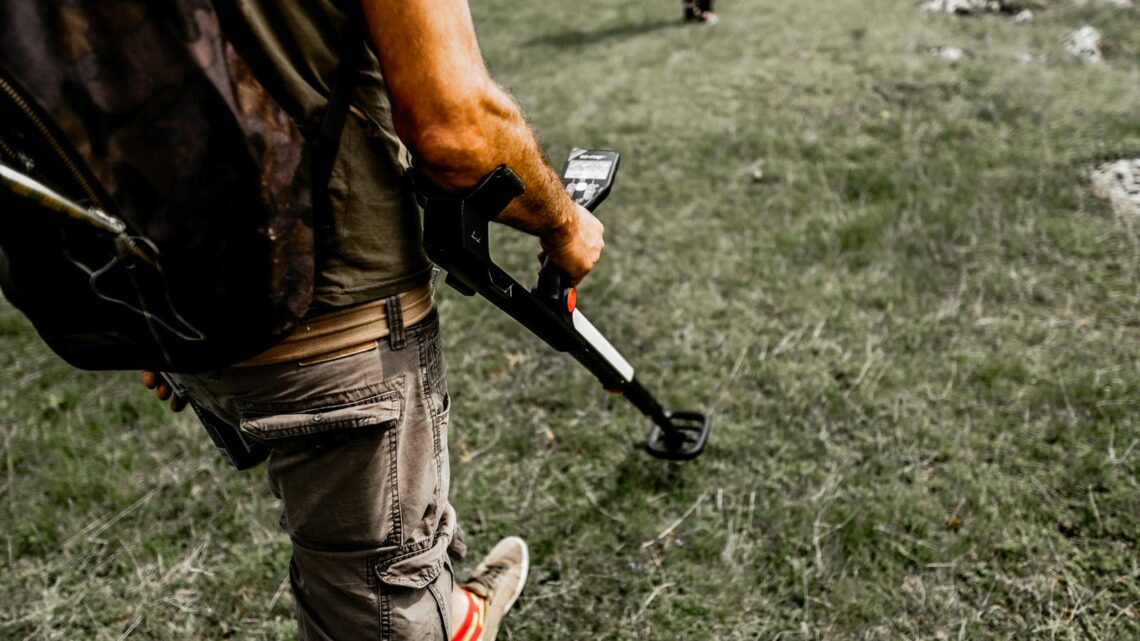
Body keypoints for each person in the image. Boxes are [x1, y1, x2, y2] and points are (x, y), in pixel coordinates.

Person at [142, 1, 605, 639]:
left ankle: (455, 611)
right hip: (332, 308)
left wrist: (124, 306)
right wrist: (564, 221)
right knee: (373, 602)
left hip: (161, 300)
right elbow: (455, 130)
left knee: (384, 532)